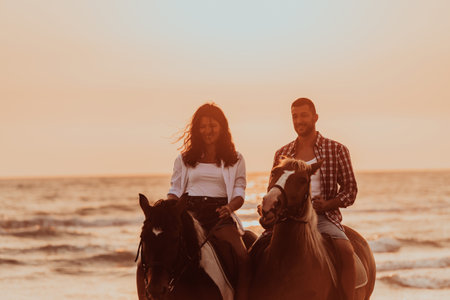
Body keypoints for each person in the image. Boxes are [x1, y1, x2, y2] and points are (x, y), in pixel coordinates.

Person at [137, 103, 250, 300]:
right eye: (203, 126)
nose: (208, 131)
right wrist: (169, 208)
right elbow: (175, 190)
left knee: (242, 257)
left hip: (219, 214)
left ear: (222, 127)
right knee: (144, 260)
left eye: (213, 125)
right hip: (188, 215)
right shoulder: (184, 159)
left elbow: (239, 192)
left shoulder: (235, 158)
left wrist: (229, 207)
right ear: (197, 129)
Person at [266, 97, 357, 300]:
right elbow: (272, 189)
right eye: (295, 116)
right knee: (255, 252)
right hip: (285, 220)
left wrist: (328, 204)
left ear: (315, 117)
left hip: (323, 218)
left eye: (304, 115)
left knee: (346, 252)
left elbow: (351, 190)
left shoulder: (337, 150)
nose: (299, 120)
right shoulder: (282, 154)